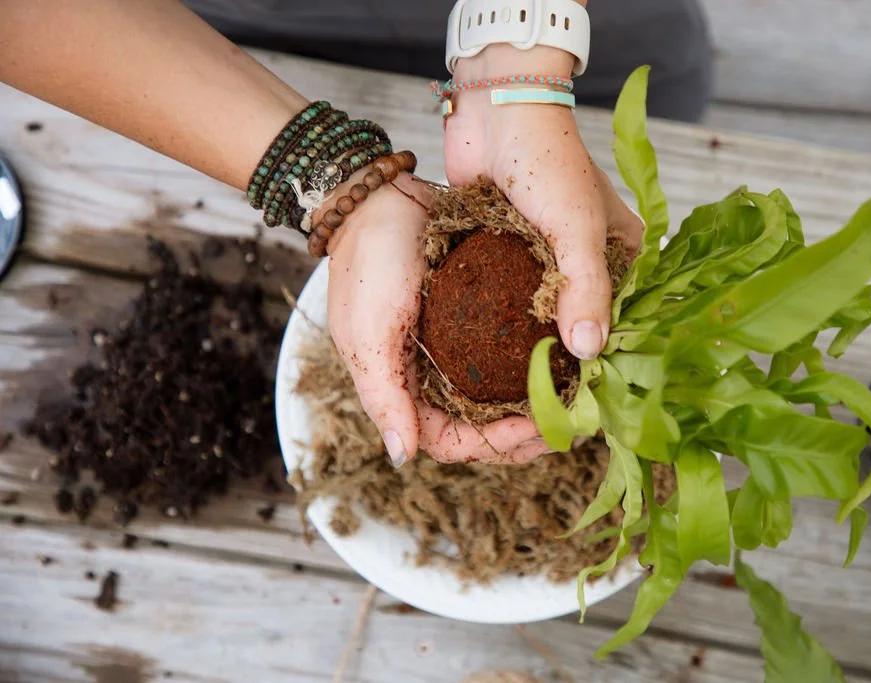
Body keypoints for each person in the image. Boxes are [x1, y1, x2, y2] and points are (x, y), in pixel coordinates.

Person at [0, 0, 712, 467]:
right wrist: (339, 183)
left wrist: (515, 47)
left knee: (667, 82)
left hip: (572, 21)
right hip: (195, 34)